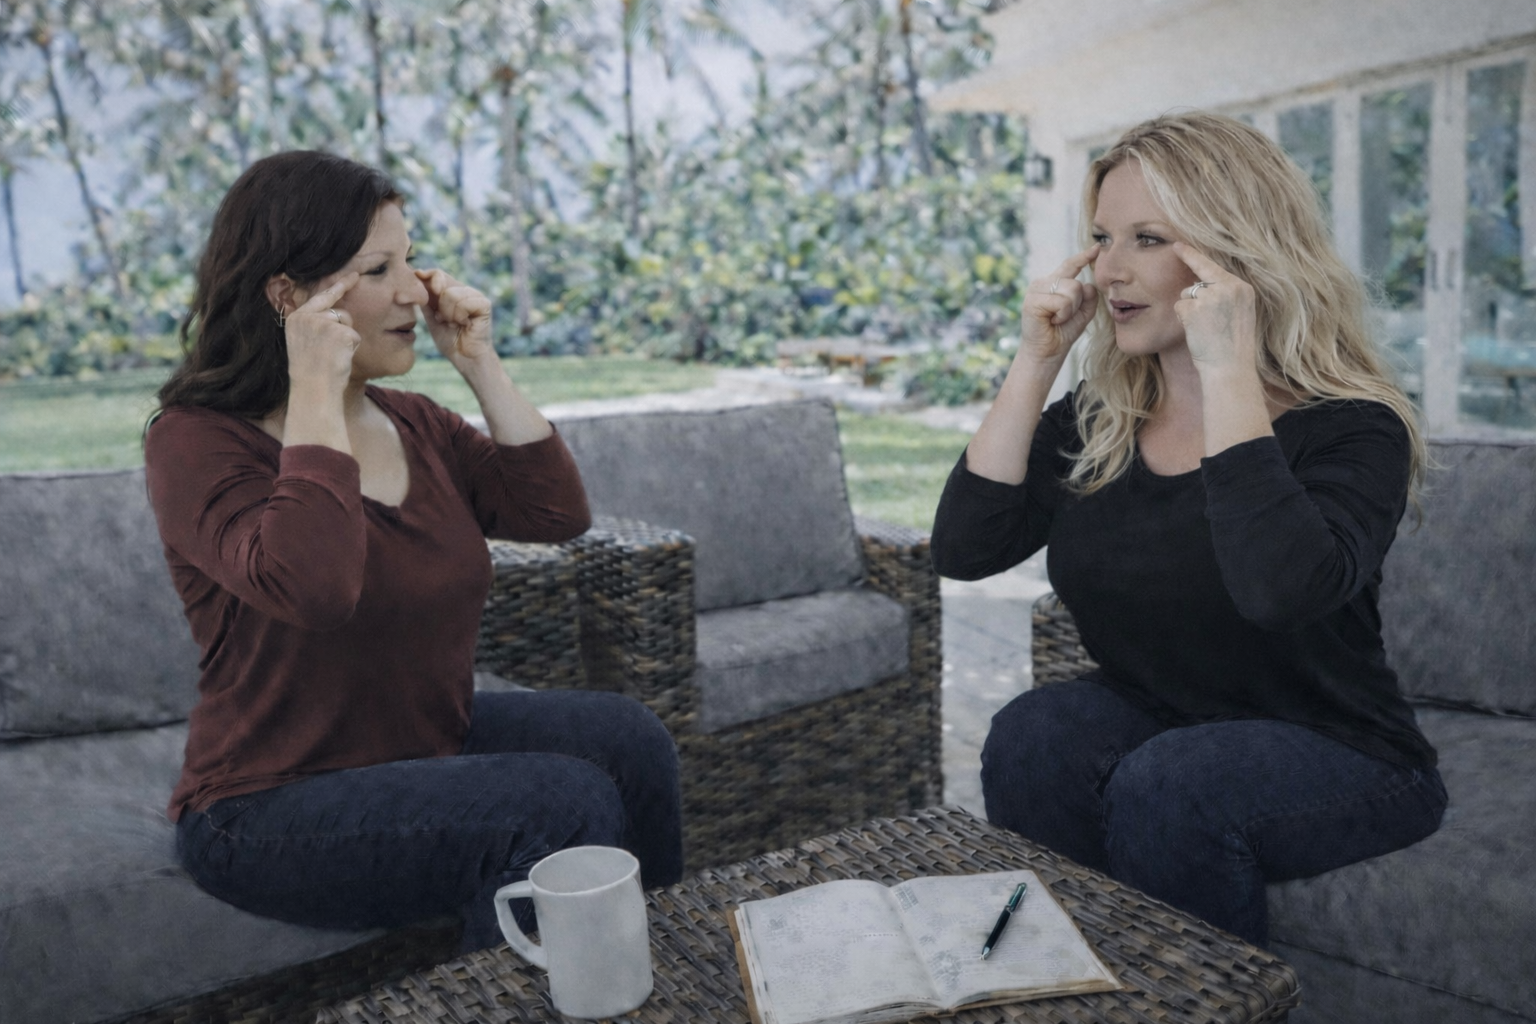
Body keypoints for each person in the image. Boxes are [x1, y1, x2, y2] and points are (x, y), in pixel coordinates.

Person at [144, 150, 683, 952]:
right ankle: (520, 998)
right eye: (379, 269)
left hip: (421, 742)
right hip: (263, 805)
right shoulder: (195, 443)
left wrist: (478, 362)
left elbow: (554, 513)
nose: (415, 291)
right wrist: (315, 391)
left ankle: (654, 964)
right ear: (288, 298)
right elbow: (315, 586)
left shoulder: (416, 422)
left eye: (410, 261)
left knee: (628, 739)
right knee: (557, 802)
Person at [930, 112, 1447, 948]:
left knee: (1175, 783)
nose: (1110, 268)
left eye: (1148, 238)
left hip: (1343, 748)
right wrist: (1037, 360)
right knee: (1033, 734)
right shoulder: (1103, 417)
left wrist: (1226, 368)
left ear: (1236, 257)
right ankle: (1067, 978)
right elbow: (965, 550)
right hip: (1165, 717)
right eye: (1102, 237)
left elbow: (1279, 592)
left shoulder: (1355, 429)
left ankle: (1199, 1001)